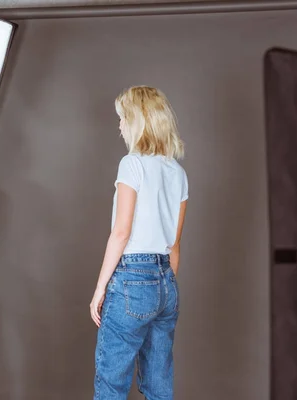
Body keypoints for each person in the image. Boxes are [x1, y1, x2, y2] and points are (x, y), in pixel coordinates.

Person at [90, 86, 188, 400]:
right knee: (159, 383)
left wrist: (100, 288)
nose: (119, 126)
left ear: (136, 120)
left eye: (122, 118)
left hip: (132, 280)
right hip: (165, 281)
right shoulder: (178, 172)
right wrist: (164, 286)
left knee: (112, 383)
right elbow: (174, 244)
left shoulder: (132, 164)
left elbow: (121, 232)